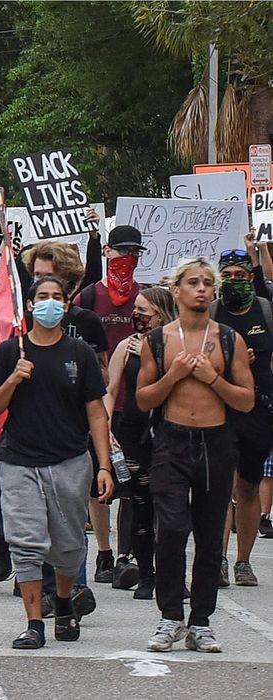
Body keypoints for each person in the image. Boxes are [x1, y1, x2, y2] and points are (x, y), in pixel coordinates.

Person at [0, 275, 115, 649]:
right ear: (29, 305)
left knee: (69, 544)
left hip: (70, 461)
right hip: (19, 461)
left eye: (57, 297)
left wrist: (103, 465)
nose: (50, 303)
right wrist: (12, 381)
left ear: (67, 304)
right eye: (42, 297)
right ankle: (34, 622)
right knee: (26, 542)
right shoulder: (10, 352)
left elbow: (96, 413)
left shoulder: (80, 353)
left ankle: (64, 602)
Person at [138, 257, 254, 654]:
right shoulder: (158, 339)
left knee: (209, 536)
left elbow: (246, 400)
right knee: (171, 528)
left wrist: (212, 378)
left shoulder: (228, 339)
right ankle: (170, 615)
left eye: (207, 283)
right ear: (177, 290)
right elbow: (143, 397)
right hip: (171, 442)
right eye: (193, 282)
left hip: (216, 443)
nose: (202, 289)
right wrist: (173, 377)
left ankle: (200, 620)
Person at [73, 224, 145, 584]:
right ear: (106, 253)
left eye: (134, 253)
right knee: (98, 486)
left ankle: (126, 554)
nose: (126, 259)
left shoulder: (146, 297)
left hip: (135, 406)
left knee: (130, 483)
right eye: (121, 251)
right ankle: (103, 553)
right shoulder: (88, 298)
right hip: (95, 405)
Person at [105, 287, 177, 599]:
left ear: (160, 314)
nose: (136, 315)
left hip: (169, 432)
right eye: (135, 308)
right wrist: (106, 428)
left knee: (171, 508)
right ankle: (146, 575)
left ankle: (173, 575)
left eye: (142, 309)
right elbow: (111, 389)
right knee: (140, 503)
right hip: (133, 433)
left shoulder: (177, 343)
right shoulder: (126, 345)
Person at [211, 249, 273, 587]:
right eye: (228, 276)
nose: (234, 281)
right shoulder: (213, 311)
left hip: (259, 410)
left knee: (248, 486)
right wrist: (230, 359)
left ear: (251, 277)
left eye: (240, 275)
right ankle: (218, 559)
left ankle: (243, 562)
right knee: (222, 485)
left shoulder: (265, 311)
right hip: (219, 408)